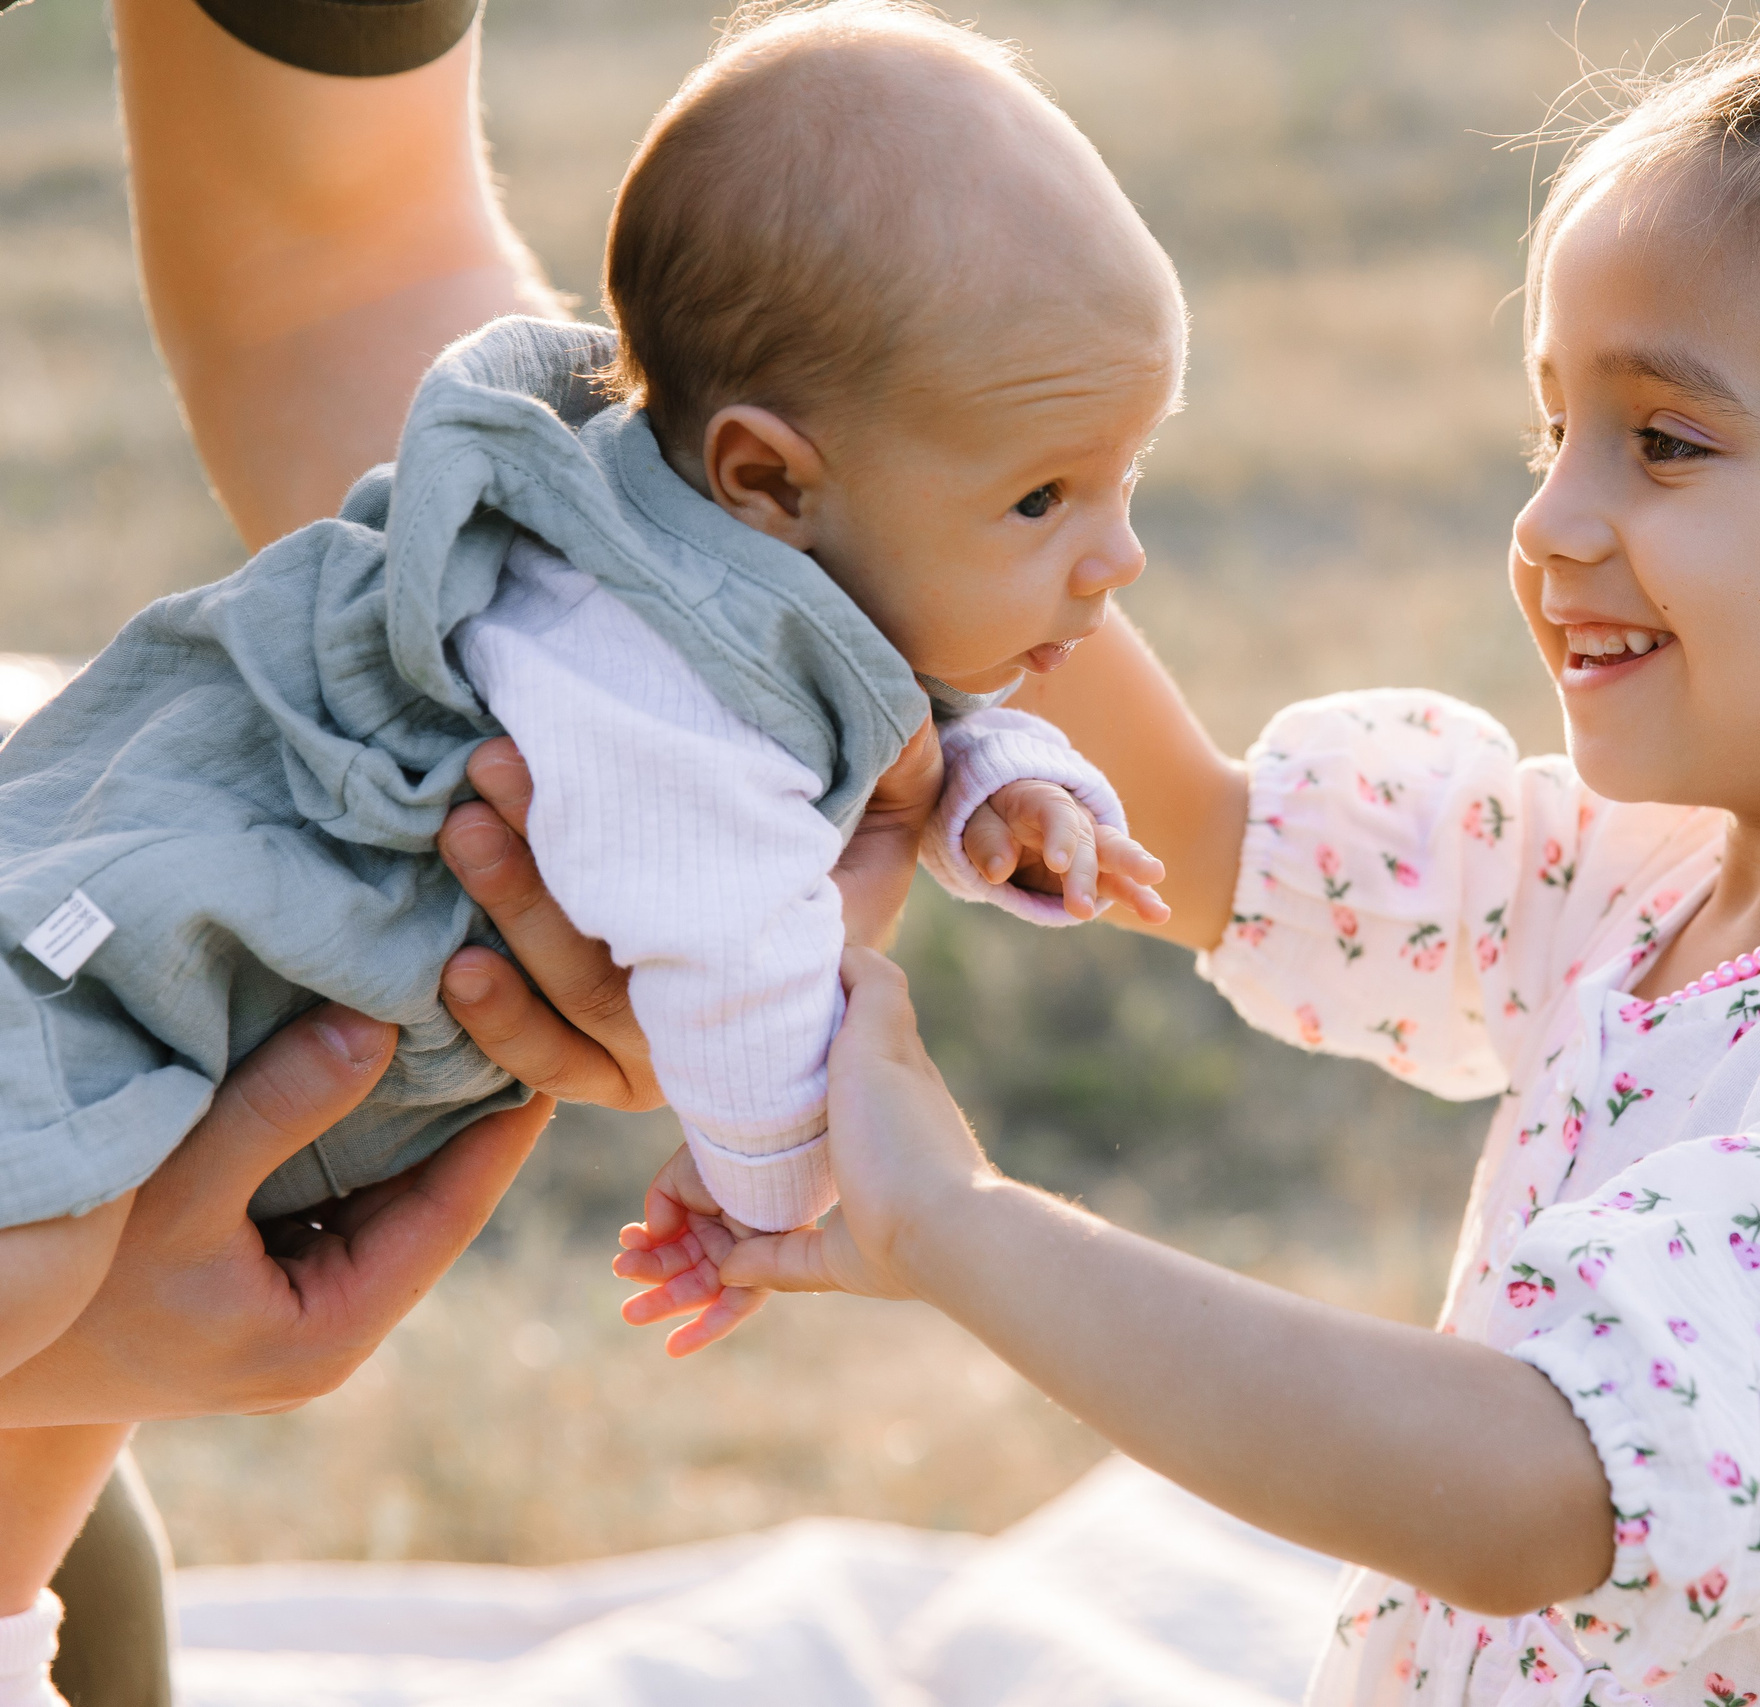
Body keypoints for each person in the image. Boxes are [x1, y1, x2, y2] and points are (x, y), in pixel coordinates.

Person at [616, 12, 1760, 1705]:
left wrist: (961, 1226)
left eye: (1666, 442)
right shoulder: (1646, 874)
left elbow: (1525, 1484)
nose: (1549, 523)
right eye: (1555, 431)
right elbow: (1227, 835)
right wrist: (925, 497)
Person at [0, 5, 1186, 1698]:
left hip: (146, 983)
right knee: (40, 1289)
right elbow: (727, 942)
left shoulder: (726, 536)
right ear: (762, 473)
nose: (1117, 557)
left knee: (59, 1527)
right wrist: (772, 1183)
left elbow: (324, 245)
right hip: (87, 962)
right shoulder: (647, 662)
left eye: (1126, 483)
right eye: (1046, 500)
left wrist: (997, 780)